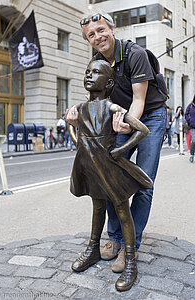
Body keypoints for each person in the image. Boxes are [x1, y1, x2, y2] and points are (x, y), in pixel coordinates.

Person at [67, 11, 167, 273]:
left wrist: (124, 124)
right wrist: (79, 119)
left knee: (143, 182)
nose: (98, 37)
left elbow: (139, 100)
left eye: (101, 30)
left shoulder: (135, 54)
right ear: (88, 40)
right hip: (120, 115)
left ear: (111, 29)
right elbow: (96, 97)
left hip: (150, 116)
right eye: (91, 35)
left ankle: (129, 246)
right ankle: (114, 237)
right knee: (107, 176)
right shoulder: (97, 59)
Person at [68, 60, 152, 292]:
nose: (89, 75)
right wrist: (72, 126)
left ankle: (131, 261)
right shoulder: (81, 108)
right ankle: (93, 248)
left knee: (122, 210)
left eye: (96, 72)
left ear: (110, 82)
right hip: (89, 166)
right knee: (97, 207)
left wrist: (119, 150)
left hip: (109, 168)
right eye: (87, 71)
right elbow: (79, 143)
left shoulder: (113, 108)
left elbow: (142, 130)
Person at [185, 95, 195, 163]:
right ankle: (191, 155)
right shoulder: (191, 106)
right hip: (192, 126)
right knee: (194, 140)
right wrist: (189, 120)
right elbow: (186, 114)